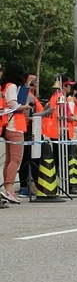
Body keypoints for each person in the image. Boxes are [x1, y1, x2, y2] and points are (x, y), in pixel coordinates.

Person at [0, 61, 32, 203]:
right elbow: (13, 105)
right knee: (15, 159)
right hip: (15, 125)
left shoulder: (4, 86)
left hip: (7, 125)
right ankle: (9, 189)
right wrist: (25, 106)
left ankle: (7, 188)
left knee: (9, 159)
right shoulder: (12, 86)